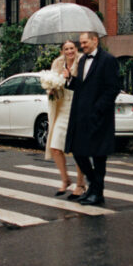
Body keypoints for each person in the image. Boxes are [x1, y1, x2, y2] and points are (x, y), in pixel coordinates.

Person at [63, 30, 121, 206]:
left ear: (95, 41)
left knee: (98, 157)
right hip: (81, 116)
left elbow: (113, 89)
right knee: (79, 152)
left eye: (85, 42)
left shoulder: (108, 60)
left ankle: (98, 193)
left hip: (99, 118)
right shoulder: (81, 61)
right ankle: (94, 187)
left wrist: (97, 110)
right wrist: (69, 80)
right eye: (81, 43)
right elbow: (81, 86)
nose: (82, 46)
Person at [45, 40, 87, 197]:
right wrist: (50, 90)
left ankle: (80, 183)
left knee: (78, 149)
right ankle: (65, 179)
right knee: (55, 147)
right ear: (62, 51)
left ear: (76, 49)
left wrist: (70, 77)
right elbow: (53, 84)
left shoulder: (83, 62)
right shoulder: (57, 64)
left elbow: (85, 85)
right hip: (62, 107)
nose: (69, 51)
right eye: (66, 49)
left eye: (72, 48)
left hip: (77, 107)